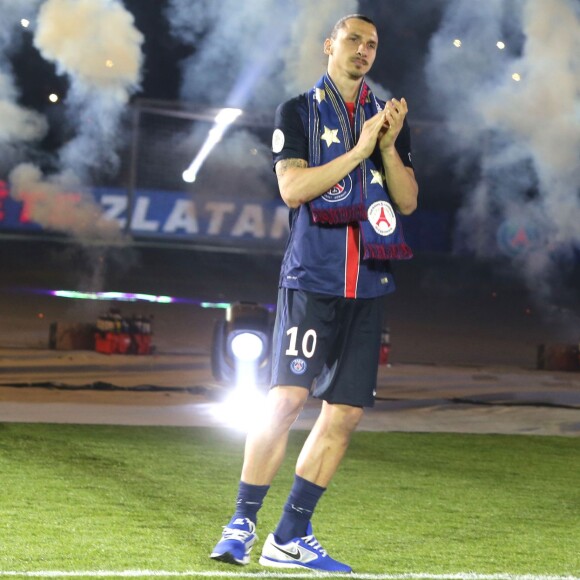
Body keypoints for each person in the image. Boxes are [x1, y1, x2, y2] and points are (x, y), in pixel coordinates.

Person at [210, 13, 418, 573]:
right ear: (330, 45)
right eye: (353, 39)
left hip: (369, 283)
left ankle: (290, 536)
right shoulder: (298, 111)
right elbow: (293, 188)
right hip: (313, 280)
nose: (363, 50)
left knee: (345, 414)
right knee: (285, 401)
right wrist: (358, 152)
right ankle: (241, 523)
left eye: (372, 44)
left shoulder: (386, 117)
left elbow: (407, 201)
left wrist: (389, 147)